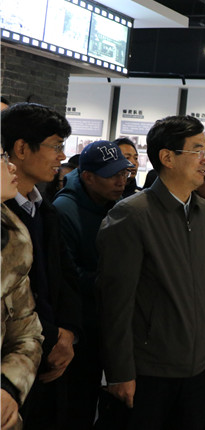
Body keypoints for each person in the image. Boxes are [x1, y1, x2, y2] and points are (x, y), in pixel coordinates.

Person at [97, 116, 205, 430]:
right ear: (167, 157)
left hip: (197, 370)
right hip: (148, 371)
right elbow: (115, 303)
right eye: (197, 151)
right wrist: (119, 372)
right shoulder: (131, 215)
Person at [1, 103, 82, 429]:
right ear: (21, 149)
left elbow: (66, 277)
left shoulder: (46, 211)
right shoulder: (7, 219)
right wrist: (51, 336)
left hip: (40, 355)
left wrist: (68, 334)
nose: (62, 157)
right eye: (56, 146)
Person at [53, 141, 132, 430]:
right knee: (77, 406)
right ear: (88, 177)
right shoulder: (64, 210)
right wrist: (114, 281)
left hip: (109, 321)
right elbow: (67, 274)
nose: (121, 181)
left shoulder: (119, 205)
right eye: (113, 175)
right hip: (82, 326)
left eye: (124, 173)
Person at [1, 145, 44, 430]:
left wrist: (8, 385)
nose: (11, 165)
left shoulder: (13, 240)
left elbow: (26, 332)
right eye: (2, 158)